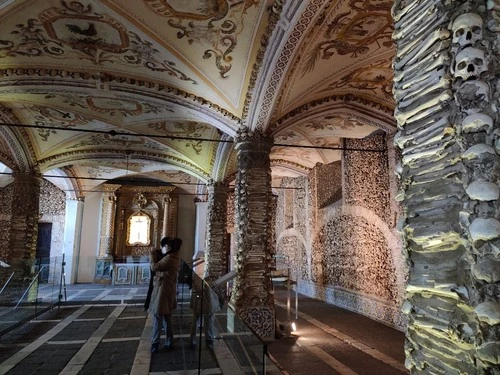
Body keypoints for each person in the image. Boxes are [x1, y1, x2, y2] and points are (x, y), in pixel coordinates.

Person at [146, 236, 182, 353]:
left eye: (163, 246)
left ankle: (155, 342)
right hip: (166, 290)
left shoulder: (170, 259)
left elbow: (155, 267)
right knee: (166, 317)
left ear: (167, 247)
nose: (161, 249)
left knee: (158, 316)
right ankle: (169, 341)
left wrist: (151, 254)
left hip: (163, 291)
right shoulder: (172, 257)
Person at [188, 252, 222, 351]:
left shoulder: (201, 266)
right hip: (203, 296)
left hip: (206, 296)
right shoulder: (201, 267)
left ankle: (205, 339)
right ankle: (200, 339)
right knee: (200, 318)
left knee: (204, 318)